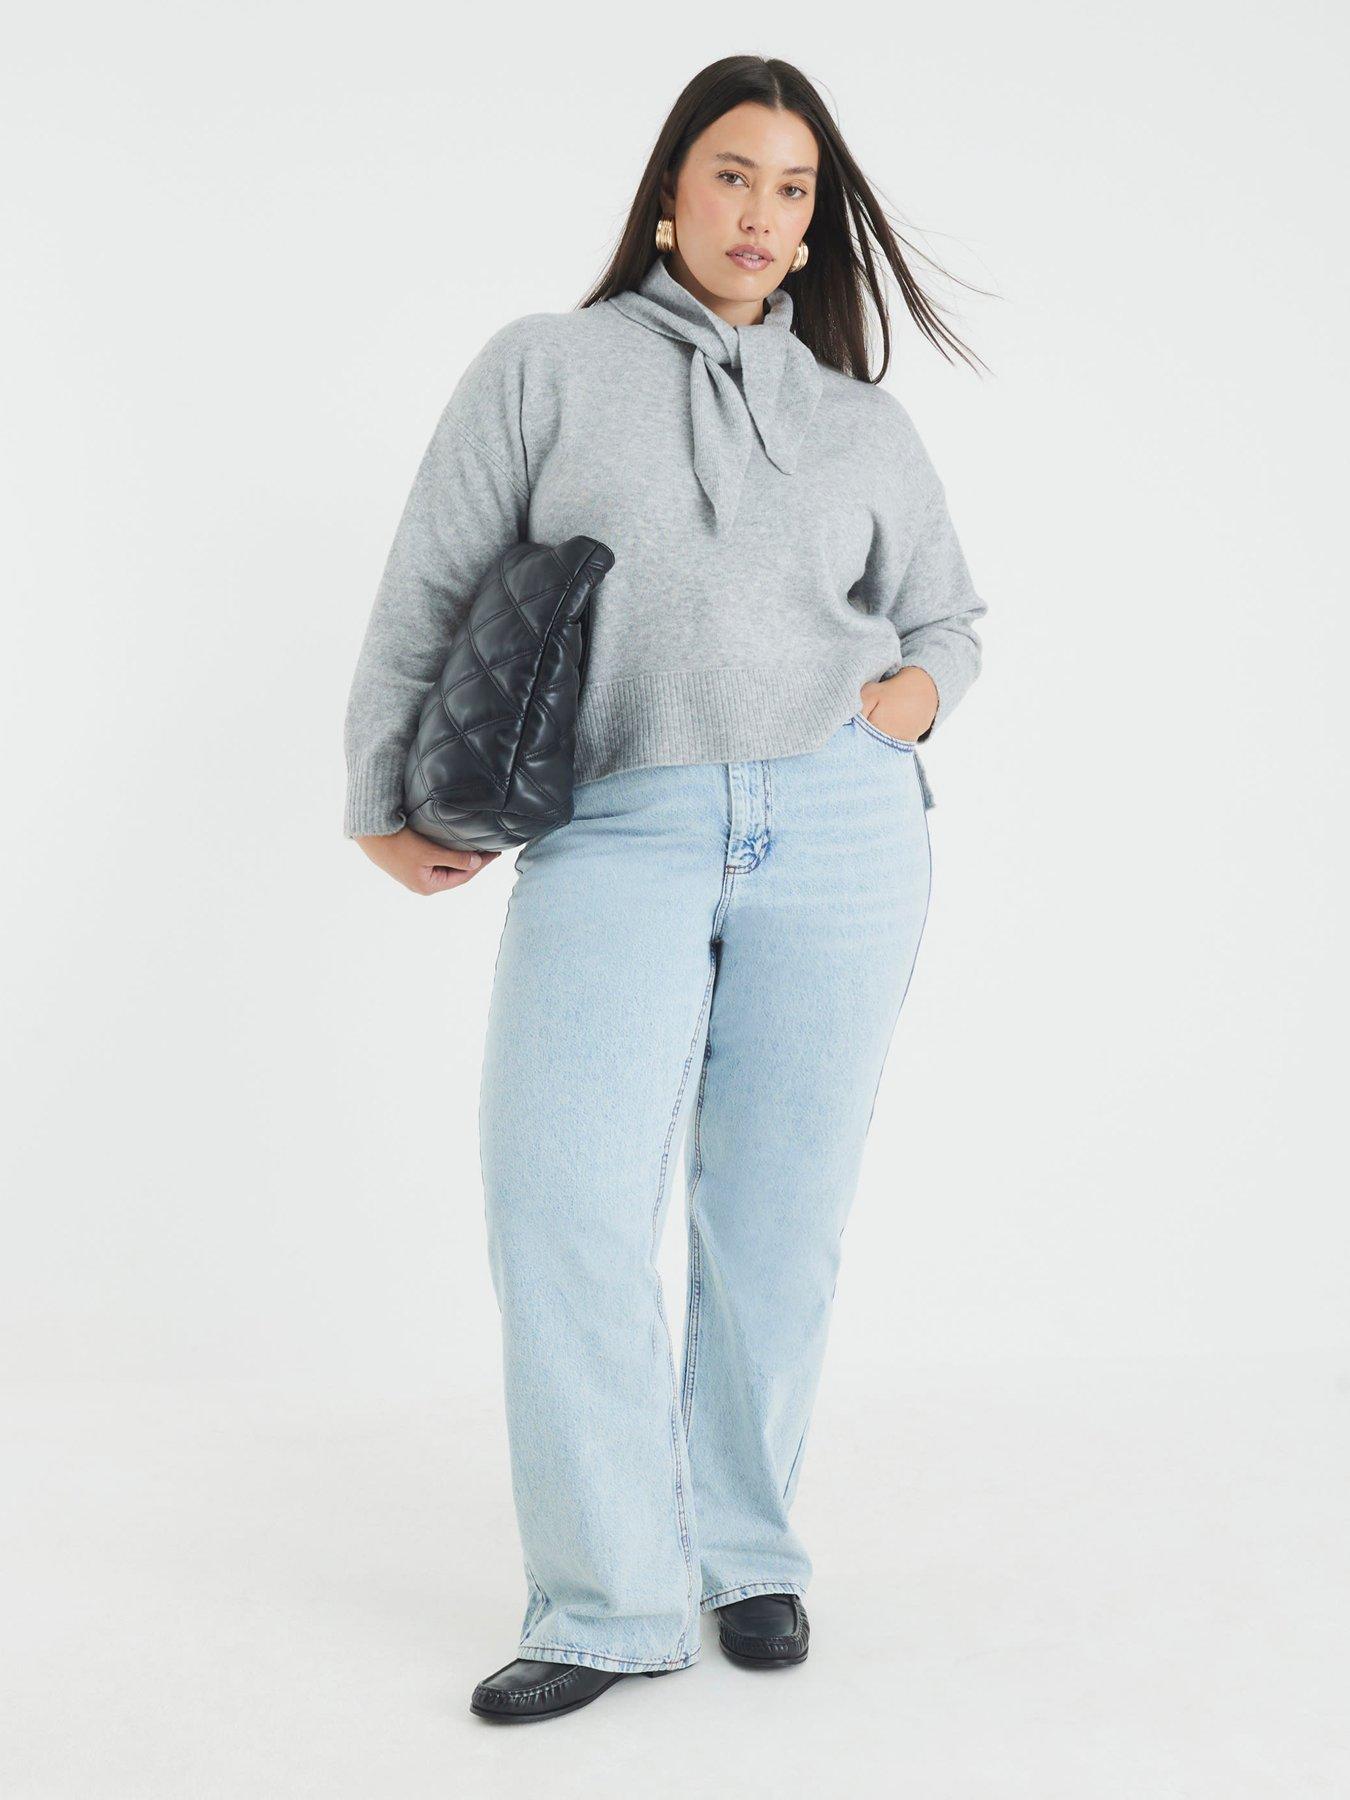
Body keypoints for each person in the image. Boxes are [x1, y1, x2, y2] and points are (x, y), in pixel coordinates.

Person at [342, 55, 989, 1724]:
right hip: (621, 826)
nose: (760, 214)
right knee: (556, 1205)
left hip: (841, 828)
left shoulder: (860, 418)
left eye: (792, 190)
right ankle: (604, 1600)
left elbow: (945, 616)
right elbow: (428, 586)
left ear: (813, 225)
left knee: (775, 1218)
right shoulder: (544, 368)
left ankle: (742, 1551)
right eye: (732, 175)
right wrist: (376, 793)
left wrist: (913, 698)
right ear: (667, 193)